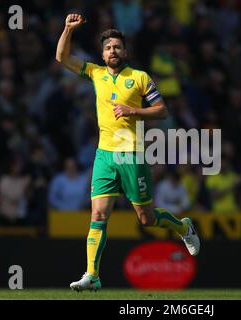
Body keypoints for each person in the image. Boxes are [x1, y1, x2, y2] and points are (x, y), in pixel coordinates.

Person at [55, 13, 200, 292]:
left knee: (145, 218)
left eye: (117, 47)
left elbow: (162, 110)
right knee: (98, 215)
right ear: (103, 52)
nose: (113, 51)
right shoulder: (95, 73)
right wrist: (67, 30)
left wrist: (134, 110)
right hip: (105, 155)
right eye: (108, 47)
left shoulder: (139, 77)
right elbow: (62, 58)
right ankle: (92, 275)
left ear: (125, 51)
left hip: (132, 154)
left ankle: (183, 227)